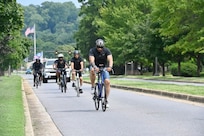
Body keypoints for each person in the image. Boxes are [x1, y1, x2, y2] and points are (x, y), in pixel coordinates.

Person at [89, 39, 113, 108]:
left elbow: (110, 59)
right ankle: (93, 86)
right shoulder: (92, 51)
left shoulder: (106, 50)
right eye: (98, 47)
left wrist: (110, 67)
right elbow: (91, 60)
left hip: (104, 67)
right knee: (92, 71)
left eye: (101, 47)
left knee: (107, 82)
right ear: (96, 46)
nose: (100, 49)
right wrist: (94, 66)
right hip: (95, 66)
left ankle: (106, 99)